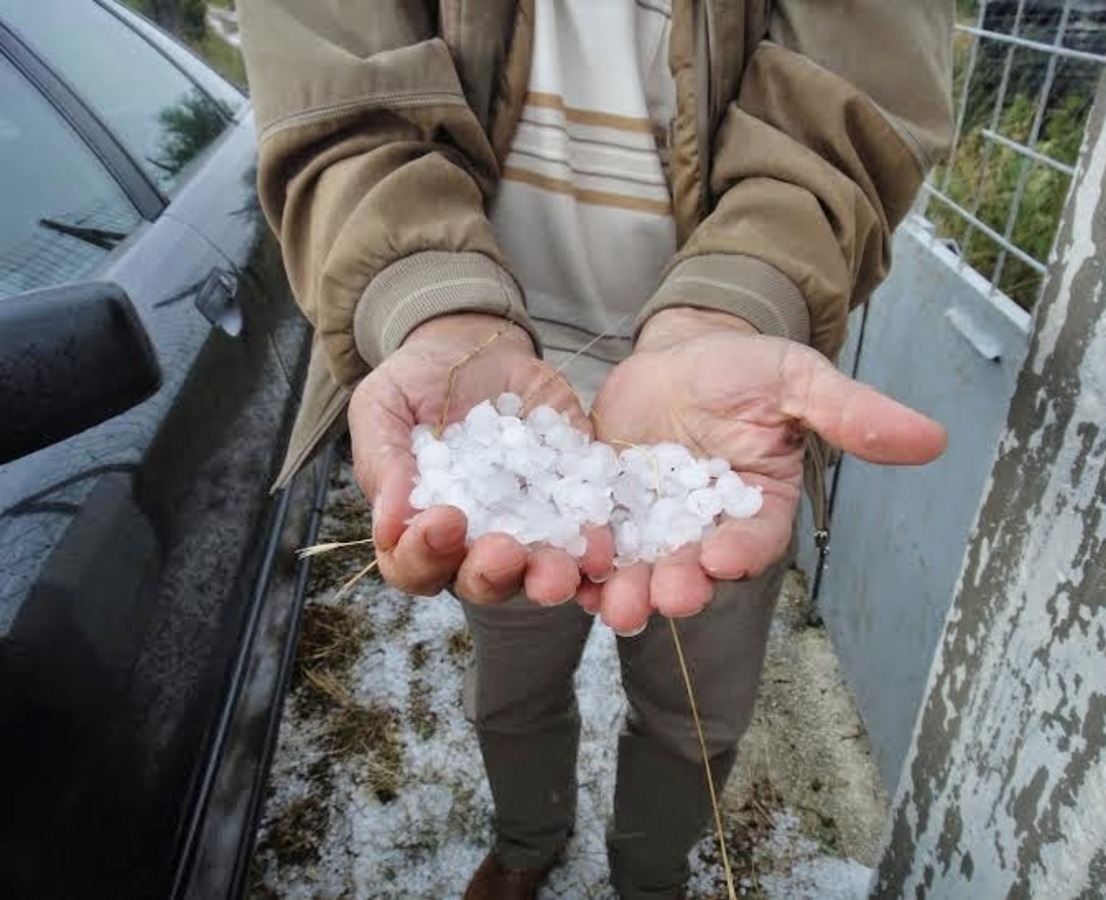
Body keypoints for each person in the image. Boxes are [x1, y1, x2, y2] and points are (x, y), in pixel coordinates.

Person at [239, 2, 953, 896]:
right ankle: (529, 840)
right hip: (491, 398)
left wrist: (737, 300)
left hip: (723, 418)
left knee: (695, 717)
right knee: (512, 688)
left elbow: (845, 115)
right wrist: (433, 303)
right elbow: (338, 91)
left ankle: (649, 873)